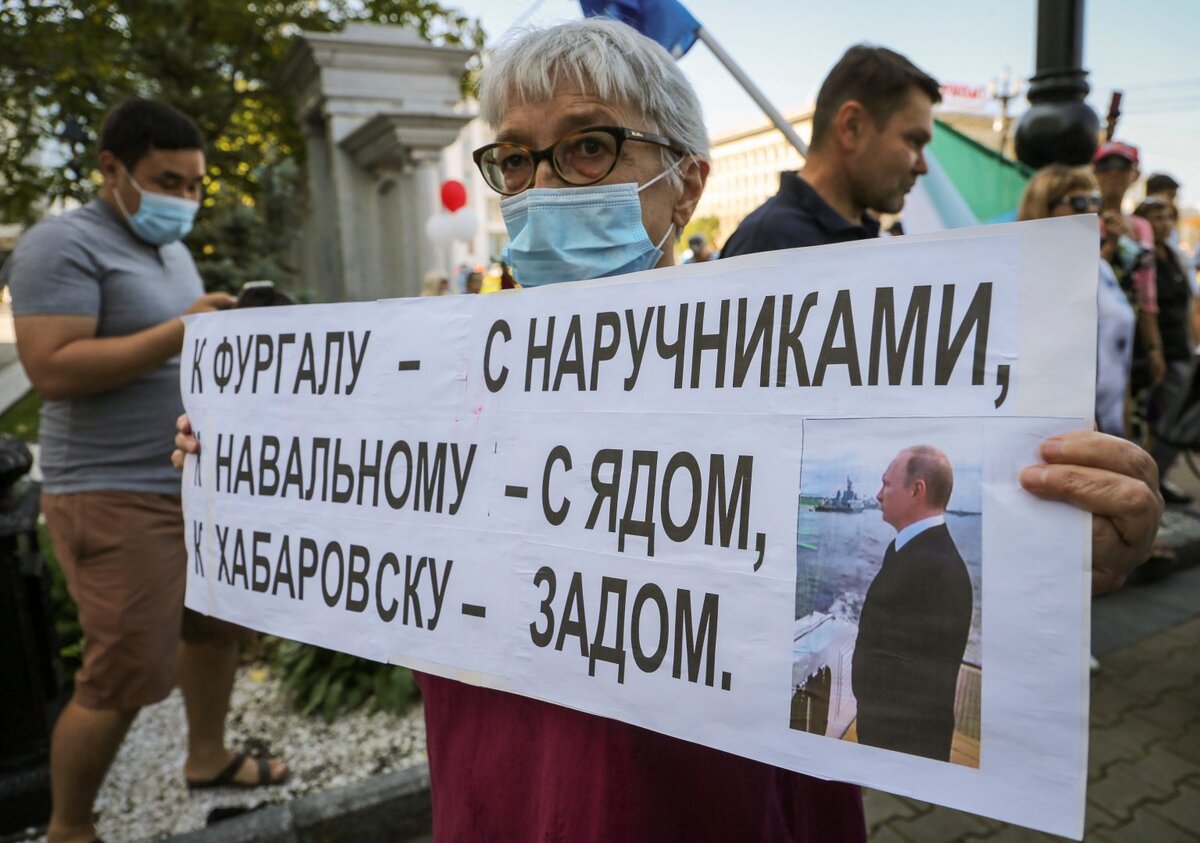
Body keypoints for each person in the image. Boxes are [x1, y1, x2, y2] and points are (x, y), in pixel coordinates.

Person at [175, 20, 1162, 840]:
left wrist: (1057, 539)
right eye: (513, 159)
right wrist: (248, 475)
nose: (544, 185)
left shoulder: (787, 365)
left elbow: (934, 516)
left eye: (590, 145)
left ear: (686, 185)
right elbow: (357, 553)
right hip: (500, 805)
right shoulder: (435, 381)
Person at [1, 98, 287, 843]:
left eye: (195, 185)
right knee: (122, 671)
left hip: (187, 481)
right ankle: (69, 826)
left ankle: (208, 755)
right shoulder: (57, 245)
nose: (184, 200)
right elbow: (52, 368)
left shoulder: (169, 250)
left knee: (214, 626)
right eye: (169, 181)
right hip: (110, 492)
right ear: (111, 169)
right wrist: (180, 331)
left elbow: (177, 341)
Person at [720, 45, 939, 257]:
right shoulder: (767, 245)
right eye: (913, 141)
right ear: (852, 127)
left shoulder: (869, 238)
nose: (922, 166)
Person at [852, 446, 972, 761]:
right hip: (888, 731)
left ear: (917, 490)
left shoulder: (937, 567)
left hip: (903, 744)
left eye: (887, 485)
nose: (879, 495)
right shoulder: (918, 552)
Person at [1017, 165, 1135, 437]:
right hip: (1059, 429)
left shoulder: (1099, 267)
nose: (1090, 210)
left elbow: (1116, 346)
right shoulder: (1028, 272)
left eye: (1095, 201)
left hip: (1110, 421)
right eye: (1078, 202)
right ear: (1043, 209)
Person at [1093, 142, 1167, 434]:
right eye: (1105, 167)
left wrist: (1154, 346)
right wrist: (1109, 246)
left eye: (1122, 167)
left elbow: (1146, 292)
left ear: (1134, 174)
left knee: (1132, 419)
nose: (1113, 174)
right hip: (1095, 331)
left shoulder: (1140, 227)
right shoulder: (1083, 216)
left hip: (1131, 336)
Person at [1135, 196, 1197, 500]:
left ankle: (1155, 479)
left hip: (1180, 353)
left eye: (1167, 217)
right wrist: (1154, 349)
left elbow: (1187, 306)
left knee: (1168, 421)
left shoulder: (1174, 256)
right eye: (1155, 217)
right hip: (1151, 356)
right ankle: (1148, 481)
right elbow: (1146, 308)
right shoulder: (1140, 256)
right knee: (1161, 422)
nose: (1163, 223)